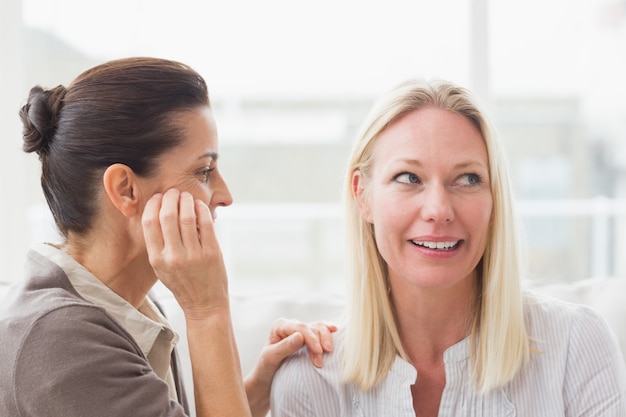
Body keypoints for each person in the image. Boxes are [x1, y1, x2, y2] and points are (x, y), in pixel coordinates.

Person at [0, 57, 335, 417]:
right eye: (204, 170)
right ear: (126, 189)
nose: (224, 195)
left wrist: (261, 386)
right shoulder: (61, 340)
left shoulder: (124, 307)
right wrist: (208, 311)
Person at [270, 79, 626, 416]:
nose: (439, 210)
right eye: (409, 178)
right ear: (362, 196)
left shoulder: (576, 348)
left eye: (468, 179)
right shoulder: (310, 381)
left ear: (494, 201)